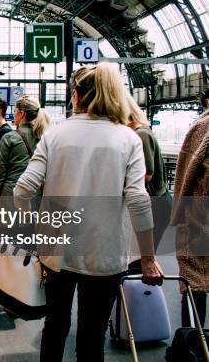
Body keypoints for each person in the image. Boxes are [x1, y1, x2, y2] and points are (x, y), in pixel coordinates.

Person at [13, 63, 164, 361]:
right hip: (105, 255)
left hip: (56, 252)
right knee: (92, 337)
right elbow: (138, 199)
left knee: (55, 326)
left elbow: (21, 190)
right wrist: (147, 259)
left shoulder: (55, 135)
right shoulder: (128, 138)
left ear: (76, 95)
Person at [172, 88, 209, 327]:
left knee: (194, 282)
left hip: (200, 219)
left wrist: (176, 216)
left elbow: (186, 173)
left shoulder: (203, 127)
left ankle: (193, 344)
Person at [124, 93, 171, 257]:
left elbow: (146, 175)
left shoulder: (141, 134)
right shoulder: (140, 132)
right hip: (156, 201)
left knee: (141, 255)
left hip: (155, 204)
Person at [0, 96, 50, 197]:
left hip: (11, 194)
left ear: (22, 113)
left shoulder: (10, 137)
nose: (14, 114)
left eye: (15, 111)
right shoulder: (44, 137)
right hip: (35, 193)